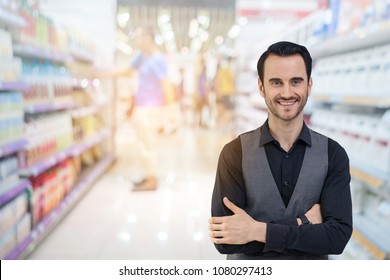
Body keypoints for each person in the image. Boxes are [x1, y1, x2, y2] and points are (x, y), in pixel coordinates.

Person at [208, 41, 353, 260]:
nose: (287, 93)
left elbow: (337, 237)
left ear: (309, 85)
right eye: (276, 82)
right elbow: (224, 240)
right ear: (261, 87)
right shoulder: (235, 153)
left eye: (296, 82)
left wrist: (255, 230)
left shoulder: (333, 154)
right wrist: (302, 224)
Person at [122, 24, 172, 191]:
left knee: (149, 145)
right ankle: (148, 176)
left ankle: (151, 181)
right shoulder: (143, 57)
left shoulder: (157, 59)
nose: (136, 40)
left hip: (151, 109)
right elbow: (127, 70)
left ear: (147, 38)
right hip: (142, 107)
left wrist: (170, 113)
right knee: (144, 144)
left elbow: (166, 85)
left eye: (138, 36)